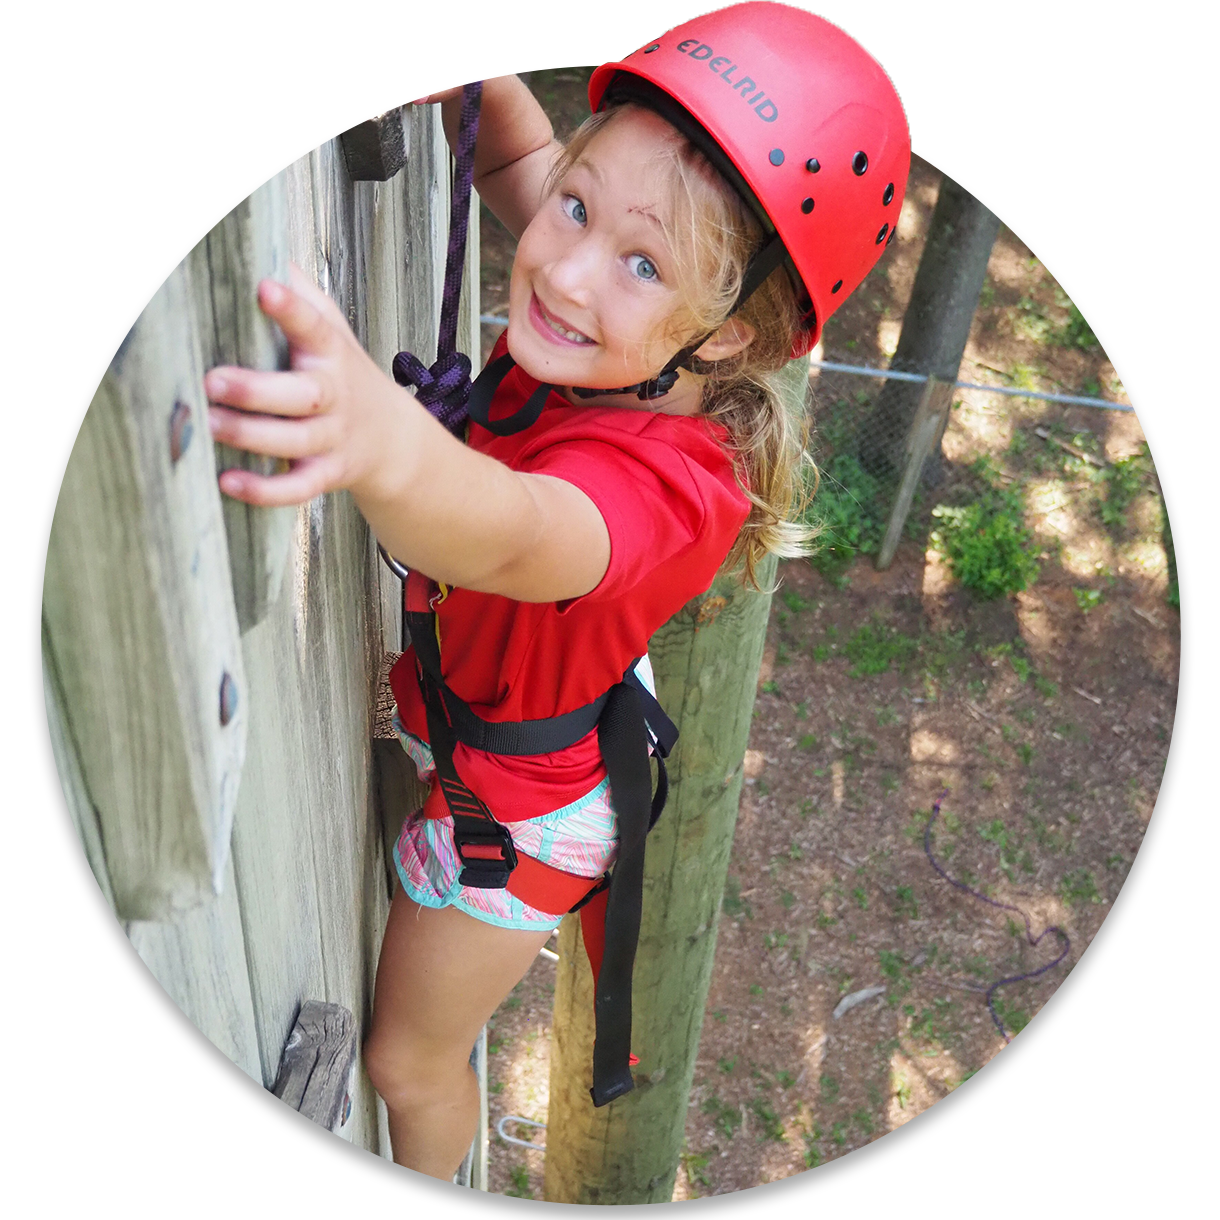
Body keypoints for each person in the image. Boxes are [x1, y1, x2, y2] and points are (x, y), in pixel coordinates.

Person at [205, 2, 910, 1180]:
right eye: (579, 205)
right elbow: (519, 155)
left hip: (525, 813)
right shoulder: (622, 314)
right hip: (510, 706)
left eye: (639, 261)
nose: (567, 265)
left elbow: (520, 532)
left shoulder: (672, 493)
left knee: (407, 1064)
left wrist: (382, 444)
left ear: (727, 339)